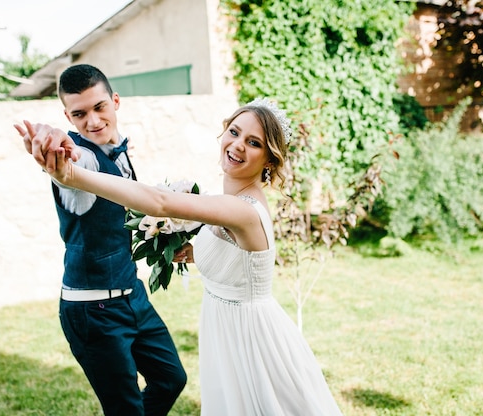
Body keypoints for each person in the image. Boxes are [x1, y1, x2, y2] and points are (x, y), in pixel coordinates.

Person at [19, 98, 343, 415]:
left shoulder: (243, 209)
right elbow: (228, 250)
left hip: (250, 336)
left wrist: (70, 176)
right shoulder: (230, 202)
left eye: (253, 142)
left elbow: (160, 202)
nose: (238, 145)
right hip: (225, 326)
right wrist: (191, 251)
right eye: (234, 132)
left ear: (270, 160)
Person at [14, 64, 186, 416]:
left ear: (115, 101)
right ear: (68, 116)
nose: (92, 121)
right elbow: (70, 166)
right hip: (93, 310)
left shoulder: (115, 151)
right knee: (125, 409)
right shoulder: (80, 158)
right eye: (79, 114)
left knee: (171, 378)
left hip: (132, 294)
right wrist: (53, 148)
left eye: (99, 108)